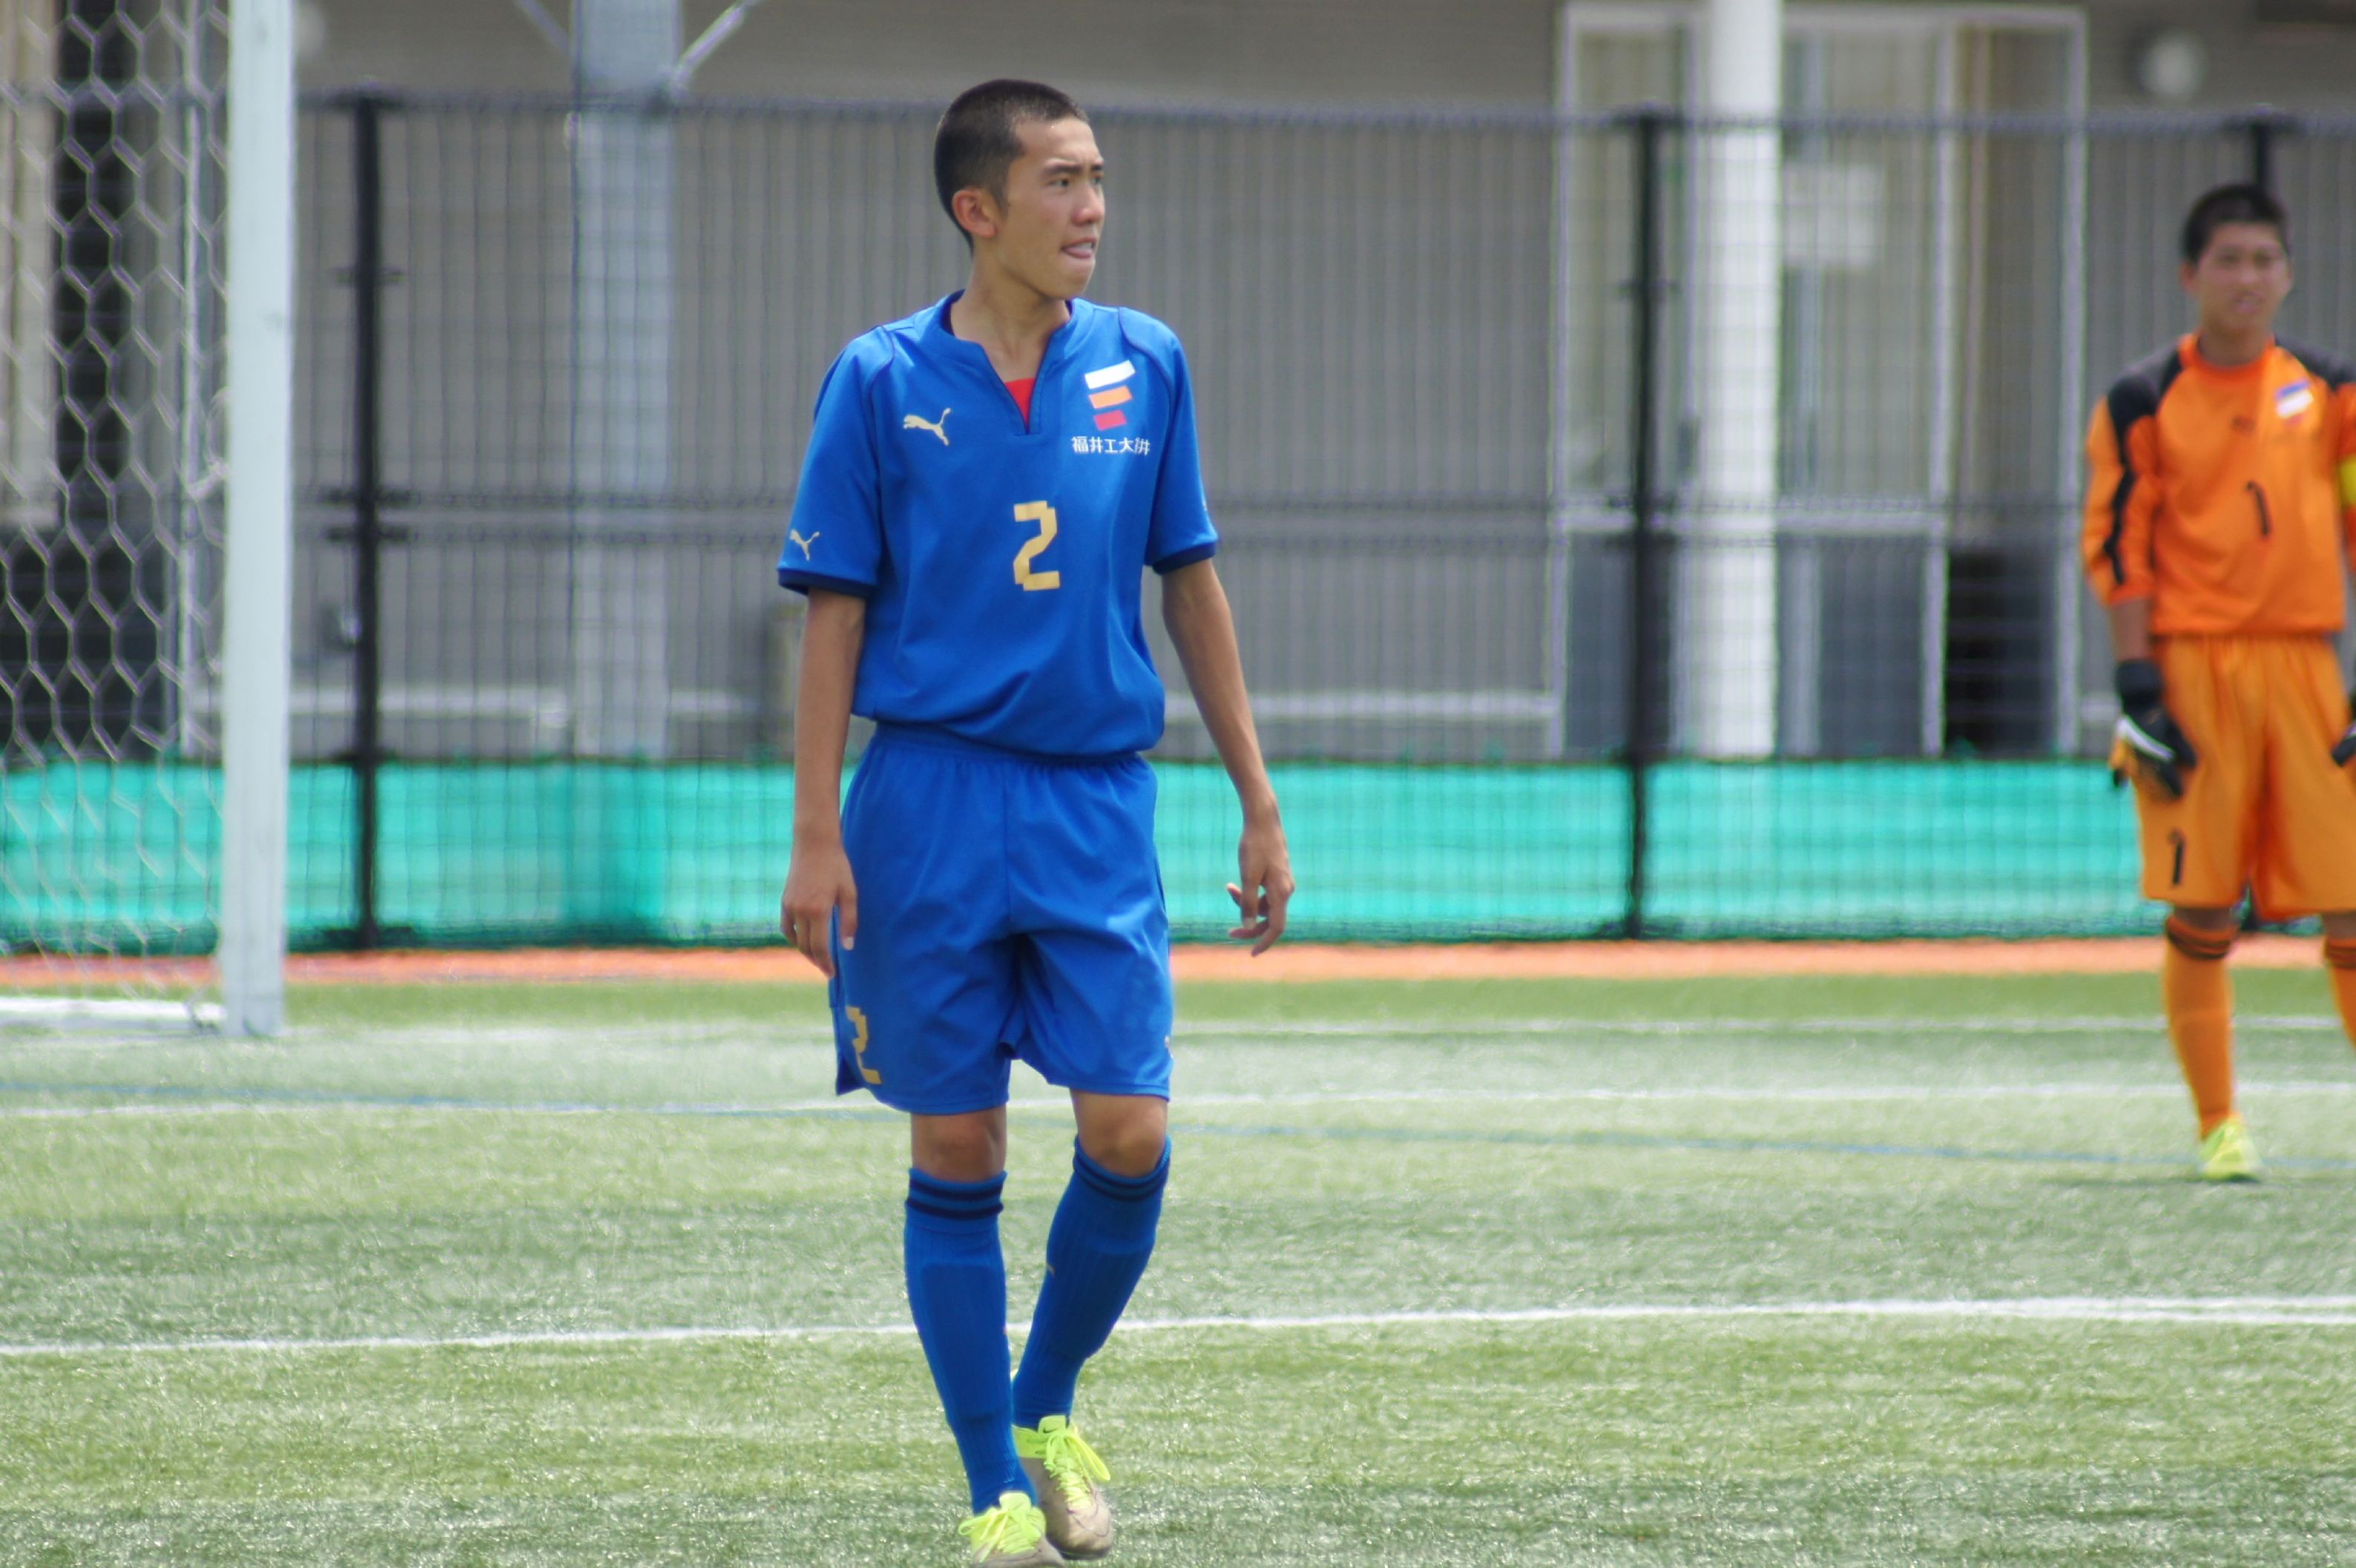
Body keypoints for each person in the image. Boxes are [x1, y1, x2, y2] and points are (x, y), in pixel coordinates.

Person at [776, 79, 1294, 1566]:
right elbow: (833, 614)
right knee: (957, 1145)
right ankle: (992, 1485)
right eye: (1061, 181)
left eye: (1098, 179)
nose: (1092, 208)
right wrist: (815, 833)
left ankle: (1043, 1400)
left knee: (1130, 1131)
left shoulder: (1146, 363)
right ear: (978, 209)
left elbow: (1190, 582)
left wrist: (1256, 797)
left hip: (1092, 803)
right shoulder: (879, 377)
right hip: (927, 799)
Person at [2083, 182, 2356, 1182]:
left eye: (2265, 259)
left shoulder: (2333, 394)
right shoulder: (2143, 397)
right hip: (2194, 670)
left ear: (2290, 274)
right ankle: (2219, 1126)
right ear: (2189, 275)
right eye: (2229, 260)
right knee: (2203, 911)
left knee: (2350, 902)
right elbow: (2120, 542)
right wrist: (2137, 686)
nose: (2248, 278)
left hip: (2307, 666)